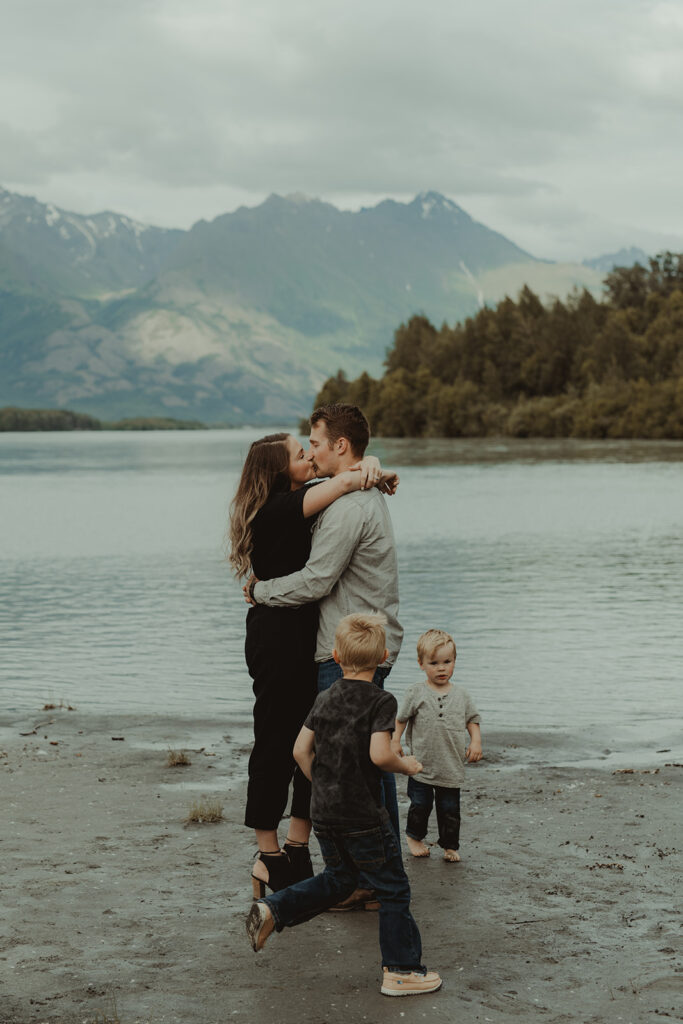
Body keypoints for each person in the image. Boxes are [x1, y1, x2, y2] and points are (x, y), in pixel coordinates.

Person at [228, 431, 398, 896]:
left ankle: (298, 849)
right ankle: (268, 855)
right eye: (299, 454)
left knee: (314, 741)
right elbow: (344, 482)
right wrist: (368, 470)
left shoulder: (303, 498)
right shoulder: (277, 510)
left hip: (306, 637)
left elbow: (346, 476)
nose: (308, 457)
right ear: (277, 470)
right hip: (275, 639)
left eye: (309, 450)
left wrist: (373, 464)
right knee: (274, 742)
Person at [245, 613, 443, 999]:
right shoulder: (382, 700)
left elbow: (300, 749)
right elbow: (380, 756)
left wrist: (321, 782)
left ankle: (275, 909)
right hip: (362, 814)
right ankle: (402, 971)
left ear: (335, 656)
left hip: (324, 812)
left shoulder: (325, 696)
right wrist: (406, 764)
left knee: (339, 880)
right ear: (384, 656)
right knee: (394, 888)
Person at [391, 629, 482, 862]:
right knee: (420, 804)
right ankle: (414, 836)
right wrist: (394, 741)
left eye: (447, 662)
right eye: (434, 663)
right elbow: (401, 719)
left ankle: (450, 846)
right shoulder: (416, 692)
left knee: (450, 810)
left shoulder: (461, 695)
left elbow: (472, 719)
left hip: (451, 765)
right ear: (421, 664)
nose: (441, 668)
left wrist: (476, 742)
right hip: (420, 764)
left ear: (454, 662)